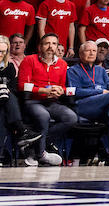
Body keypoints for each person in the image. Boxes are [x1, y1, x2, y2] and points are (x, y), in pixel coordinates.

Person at [17, 33, 77, 165]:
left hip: (52, 101)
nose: (51, 47)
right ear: (39, 47)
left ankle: (32, 146)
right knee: (44, 116)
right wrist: (45, 90)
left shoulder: (62, 64)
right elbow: (22, 86)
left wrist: (60, 91)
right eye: (47, 43)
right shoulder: (29, 60)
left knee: (71, 117)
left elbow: (62, 86)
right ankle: (41, 153)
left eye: (54, 44)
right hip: (32, 101)